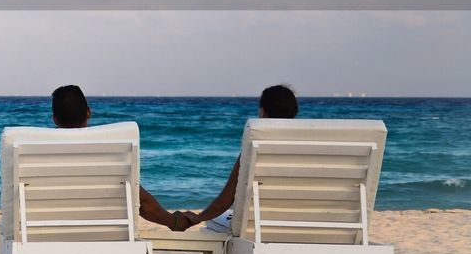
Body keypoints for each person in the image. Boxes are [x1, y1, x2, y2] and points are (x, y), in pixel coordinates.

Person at [49, 85, 192, 231]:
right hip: (103, 242)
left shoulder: (36, 157)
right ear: (88, 112)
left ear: (55, 119)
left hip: (46, 244)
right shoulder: (110, 154)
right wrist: (174, 222)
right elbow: (142, 203)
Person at [178, 84, 299, 229]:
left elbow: (226, 200)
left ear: (263, 111)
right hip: (303, 225)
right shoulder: (308, 147)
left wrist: (199, 217)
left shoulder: (256, 146)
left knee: (213, 223)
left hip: (256, 228)